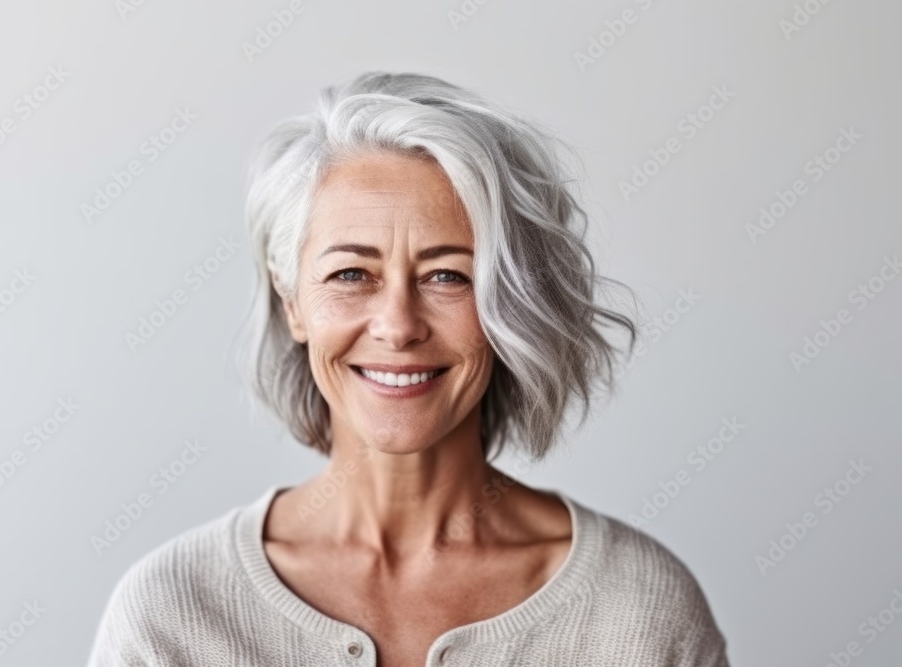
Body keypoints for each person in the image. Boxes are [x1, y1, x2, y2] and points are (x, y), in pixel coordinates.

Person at [86, 71, 730, 666]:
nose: (397, 325)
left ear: (510, 306)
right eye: (350, 274)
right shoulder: (172, 613)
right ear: (294, 306)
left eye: (448, 275)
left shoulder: (639, 613)